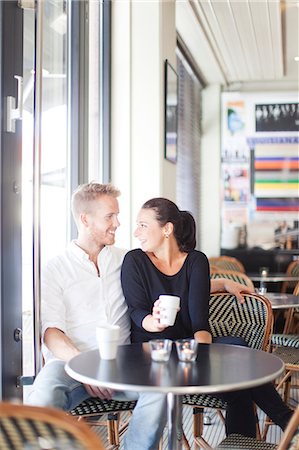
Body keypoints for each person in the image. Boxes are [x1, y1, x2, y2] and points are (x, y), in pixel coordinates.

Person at [121, 197, 293, 443]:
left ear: (167, 229)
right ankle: (288, 422)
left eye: (142, 225)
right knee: (238, 372)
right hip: (151, 355)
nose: (136, 232)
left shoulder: (195, 261)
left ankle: (242, 444)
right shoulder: (134, 261)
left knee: (238, 357)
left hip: (186, 352)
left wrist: (203, 355)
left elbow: (199, 324)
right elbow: (136, 311)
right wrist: (154, 322)